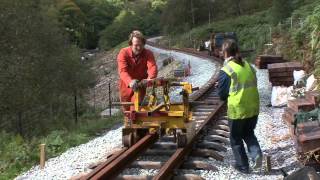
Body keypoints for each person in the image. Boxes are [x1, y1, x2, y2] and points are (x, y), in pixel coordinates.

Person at [217, 39, 262, 174]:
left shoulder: (227, 69)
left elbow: (222, 95)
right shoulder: (248, 65)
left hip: (238, 110)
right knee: (248, 133)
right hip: (253, 107)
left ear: (225, 52)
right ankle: (256, 154)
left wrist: (220, 87)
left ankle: (243, 166)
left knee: (235, 138)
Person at [117, 30, 158, 111]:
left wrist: (150, 79)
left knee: (134, 110)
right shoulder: (123, 53)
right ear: (131, 44)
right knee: (126, 110)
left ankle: (135, 122)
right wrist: (130, 81)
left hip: (140, 85)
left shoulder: (148, 53)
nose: (139, 48)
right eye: (136, 45)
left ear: (143, 44)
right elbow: (122, 71)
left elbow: (152, 67)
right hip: (126, 86)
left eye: (141, 45)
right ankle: (128, 122)